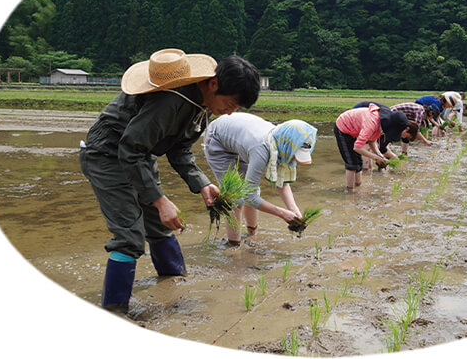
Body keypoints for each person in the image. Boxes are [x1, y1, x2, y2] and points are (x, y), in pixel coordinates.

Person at [79, 48, 260, 314]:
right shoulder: (171, 101)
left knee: (159, 225)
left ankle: (174, 281)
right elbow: (129, 149)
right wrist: (160, 200)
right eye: (230, 104)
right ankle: (114, 312)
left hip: (139, 155)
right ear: (213, 84)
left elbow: (179, 150)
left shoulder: (203, 105)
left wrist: (201, 184)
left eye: (236, 108)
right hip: (107, 156)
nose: (230, 113)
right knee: (130, 236)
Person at [203, 112, 316, 246]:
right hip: (217, 139)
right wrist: (282, 213)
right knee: (235, 199)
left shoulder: (281, 142)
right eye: (295, 154)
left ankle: (252, 234)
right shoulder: (261, 148)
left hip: (241, 140)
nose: (294, 158)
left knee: (253, 190)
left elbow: (282, 183)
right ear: (288, 144)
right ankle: (234, 245)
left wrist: (294, 210)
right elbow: (249, 196)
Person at [334, 103, 408, 191]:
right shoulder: (372, 123)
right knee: (352, 163)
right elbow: (357, 148)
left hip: (355, 130)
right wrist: (375, 158)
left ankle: (358, 185)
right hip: (343, 127)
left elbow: (372, 140)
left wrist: (380, 155)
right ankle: (350, 191)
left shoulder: (380, 125)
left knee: (359, 161)